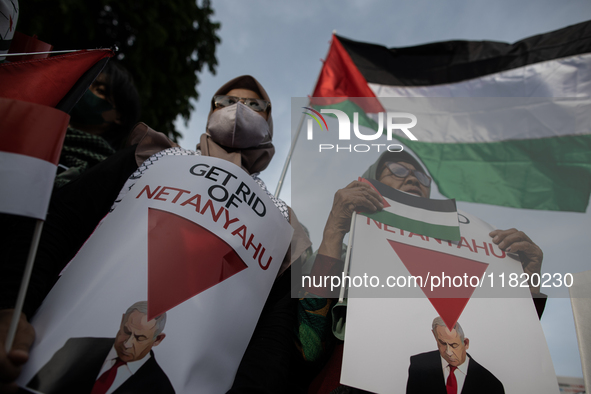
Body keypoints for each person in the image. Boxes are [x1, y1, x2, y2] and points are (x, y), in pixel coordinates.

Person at [0, 75, 311, 393]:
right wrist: (12, 307)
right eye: (226, 102)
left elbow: (274, 333)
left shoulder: (282, 225)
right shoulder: (151, 157)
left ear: (269, 123)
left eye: (254, 105)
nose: (238, 109)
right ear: (210, 113)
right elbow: (63, 220)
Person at [299, 150, 545, 393]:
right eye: (397, 170)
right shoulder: (338, 255)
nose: (413, 178)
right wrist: (334, 229)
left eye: (421, 176)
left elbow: (502, 346)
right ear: (371, 181)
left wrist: (526, 285)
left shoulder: (459, 262)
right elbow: (307, 345)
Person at [26, 301, 175, 394]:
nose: (127, 343)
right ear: (122, 320)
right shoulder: (77, 347)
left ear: (158, 339)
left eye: (139, 338)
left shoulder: (162, 388)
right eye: (127, 331)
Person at [55, 60, 141, 188]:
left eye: (99, 90)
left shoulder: (109, 176)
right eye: (86, 84)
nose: (86, 91)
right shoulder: (37, 136)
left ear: (119, 116)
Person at [406, 316, 504, 394]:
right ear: (435, 336)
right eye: (443, 343)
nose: (448, 352)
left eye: (454, 345)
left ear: (465, 343)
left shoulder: (492, 385)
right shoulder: (418, 366)